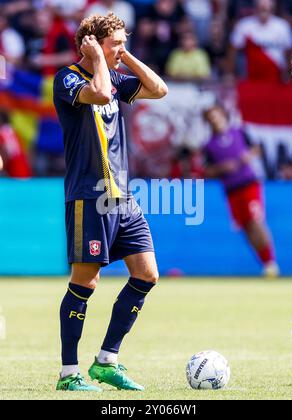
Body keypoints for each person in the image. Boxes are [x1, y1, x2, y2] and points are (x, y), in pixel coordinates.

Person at [53, 12, 168, 392]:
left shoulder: (117, 75)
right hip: (89, 195)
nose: (121, 48)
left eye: (123, 41)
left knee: (147, 273)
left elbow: (159, 89)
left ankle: (106, 361)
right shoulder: (67, 78)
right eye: (115, 42)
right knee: (86, 282)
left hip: (124, 197)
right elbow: (100, 94)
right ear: (90, 43)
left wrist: (124, 57)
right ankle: (69, 374)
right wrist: (102, 60)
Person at [202, 104, 279, 278]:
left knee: (256, 221)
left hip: (249, 184)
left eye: (216, 116)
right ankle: (266, 264)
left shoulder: (240, 132)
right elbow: (207, 170)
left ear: (223, 115)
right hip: (231, 190)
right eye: (210, 118)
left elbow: (256, 148)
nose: (215, 120)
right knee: (246, 227)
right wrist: (222, 168)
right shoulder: (209, 146)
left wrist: (247, 156)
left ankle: (271, 262)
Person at [228, 0, 292, 82]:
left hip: (277, 77)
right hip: (251, 77)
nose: (263, 12)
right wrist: (230, 73)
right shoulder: (244, 25)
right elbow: (233, 51)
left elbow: (289, 52)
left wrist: (289, 73)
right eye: (261, 9)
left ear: (272, 9)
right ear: (255, 9)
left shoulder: (282, 26)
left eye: (266, 9)